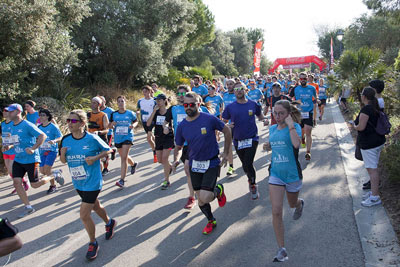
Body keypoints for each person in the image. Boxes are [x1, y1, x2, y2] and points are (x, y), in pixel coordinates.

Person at [60, 110, 116, 261]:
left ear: (82, 123)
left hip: (93, 181)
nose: (70, 124)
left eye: (73, 121)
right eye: (68, 120)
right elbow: (63, 161)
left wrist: (95, 158)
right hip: (78, 182)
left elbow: (108, 150)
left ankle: (93, 243)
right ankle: (110, 222)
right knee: (95, 206)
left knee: (84, 215)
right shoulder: (65, 140)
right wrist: (63, 154)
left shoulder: (91, 139)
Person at [172, 92, 230, 235]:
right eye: (186, 105)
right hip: (195, 164)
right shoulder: (182, 126)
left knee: (205, 196)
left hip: (211, 162)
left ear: (199, 104)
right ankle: (211, 220)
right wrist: (175, 160)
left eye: (192, 104)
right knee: (201, 200)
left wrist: (226, 152)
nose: (188, 107)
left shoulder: (209, 119)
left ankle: (218, 190)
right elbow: (178, 147)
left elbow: (227, 130)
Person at [2, 104, 64, 218]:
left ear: (18, 112)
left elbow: (42, 136)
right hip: (19, 158)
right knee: (16, 182)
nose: (8, 113)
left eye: (10, 111)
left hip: (31, 159)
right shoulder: (11, 126)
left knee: (35, 185)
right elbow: (14, 141)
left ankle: (54, 174)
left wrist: (33, 148)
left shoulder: (27, 125)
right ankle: (28, 207)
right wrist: (9, 146)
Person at [264, 100, 304, 262]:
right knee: (276, 211)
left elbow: (295, 144)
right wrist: (269, 145)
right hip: (276, 174)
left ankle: (299, 203)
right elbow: (276, 144)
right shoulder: (272, 128)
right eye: (275, 113)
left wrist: (291, 125)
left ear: (288, 114)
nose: (277, 116)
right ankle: (282, 249)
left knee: (292, 204)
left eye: (281, 113)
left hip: (292, 174)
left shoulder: (296, 128)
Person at [222, 82, 267, 200]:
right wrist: (227, 125)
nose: (238, 91)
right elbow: (223, 122)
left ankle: (253, 184)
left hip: (252, 138)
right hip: (238, 140)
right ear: (234, 92)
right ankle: (250, 178)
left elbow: (260, 116)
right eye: (236, 89)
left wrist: (265, 120)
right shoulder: (230, 107)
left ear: (245, 90)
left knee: (248, 162)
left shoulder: (253, 104)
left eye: (241, 88)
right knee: (245, 165)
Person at [353, 87, 386, 207]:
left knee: (372, 170)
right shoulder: (375, 106)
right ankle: (373, 192)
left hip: (369, 144)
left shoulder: (367, 109)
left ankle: (374, 197)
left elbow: (361, 127)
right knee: (373, 168)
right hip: (378, 141)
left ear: (364, 96)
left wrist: (354, 126)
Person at [109, 96, 138, 188]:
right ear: (117, 104)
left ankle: (122, 180)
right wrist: (112, 125)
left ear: (125, 102)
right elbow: (109, 126)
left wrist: (133, 125)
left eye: (122, 101)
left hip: (128, 136)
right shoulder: (114, 114)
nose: (121, 103)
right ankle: (133, 164)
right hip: (118, 137)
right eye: (119, 102)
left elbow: (136, 121)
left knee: (123, 158)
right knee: (123, 156)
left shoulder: (130, 113)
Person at [147, 94, 174, 189]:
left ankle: (166, 181)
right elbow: (148, 123)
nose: (157, 102)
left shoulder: (169, 112)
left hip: (168, 137)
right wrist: (154, 111)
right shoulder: (156, 112)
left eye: (159, 100)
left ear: (164, 100)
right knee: (160, 160)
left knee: (165, 158)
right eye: (156, 100)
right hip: (158, 138)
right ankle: (170, 167)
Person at [1, 107, 29, 194]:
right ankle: (23, 181)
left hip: (14, 149)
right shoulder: (2, 123)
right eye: (4, 111)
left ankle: (20, 184)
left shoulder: (14, 123)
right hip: (6, 149)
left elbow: (18, 137)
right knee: (9, 171)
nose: (4, 113)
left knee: (13, 169)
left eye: (7, 111)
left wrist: (11, 143)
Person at [290, 72, 317, 161]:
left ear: (307, 79)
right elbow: (289, 100)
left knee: (308, 132)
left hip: (309, 112)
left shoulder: (312, 88)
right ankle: (302, 139)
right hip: (299, 113)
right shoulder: (295, 89)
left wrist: (318, 101)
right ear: (299, 79)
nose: (303, 80)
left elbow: (315, 98)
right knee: (301, 133)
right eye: (301, 79)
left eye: (304, 78)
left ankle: (308, 152)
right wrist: (295, 102)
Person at [38, 108, 64, 194]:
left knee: (47, 169)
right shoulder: (39, 127)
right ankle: (56, 173)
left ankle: (53, 186)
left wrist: (54, 141)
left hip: (52, 150)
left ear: (48, 117)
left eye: (43, 115)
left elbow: (60, 137)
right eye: (40, 115)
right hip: (41, 151)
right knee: (43, 171)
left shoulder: (53, 126)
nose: (41, 117)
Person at [87, 97, 111, 176]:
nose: (92, 104)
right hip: (91, 138)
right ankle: (97, 173)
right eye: (92, 102)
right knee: (94, 156)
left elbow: (107, 130)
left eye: (94, 103)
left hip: (101, 138)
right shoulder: (88, 114)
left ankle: (105, 167)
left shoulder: (103, 115)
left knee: (103, 157)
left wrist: (98, 132)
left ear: (99, 104)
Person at [137, 86, 157, 163]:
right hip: (144, 121)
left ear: (149, 91)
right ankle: (157, 146)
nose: (144, 93)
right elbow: (138, 109)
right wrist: (138, 112)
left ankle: (154, 152)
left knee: (148, 138)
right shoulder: (140, 101)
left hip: (152, 121)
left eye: (146, 91)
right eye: (143, 91)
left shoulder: (154, 101)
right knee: (151, 136)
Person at [98, 96, 117, 173]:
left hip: (108, 134)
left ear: (104, 102)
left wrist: (112, 126)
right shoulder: (95, 112)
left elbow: (116, 119)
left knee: (104, 152)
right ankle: (112, 150)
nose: (99, 103)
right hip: (97, 134)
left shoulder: (110, 110)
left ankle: (105, 169)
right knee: (99, 152)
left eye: (101, 101)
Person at [222, 79, 236, 175]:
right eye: (228, 84)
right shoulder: (225, 95)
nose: (229, 86)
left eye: (231, 84)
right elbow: (223, 109)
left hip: (239, 124)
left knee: (240, 146)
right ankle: (231, 167)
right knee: (229, 145)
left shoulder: (239, 93)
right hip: (229, 125)